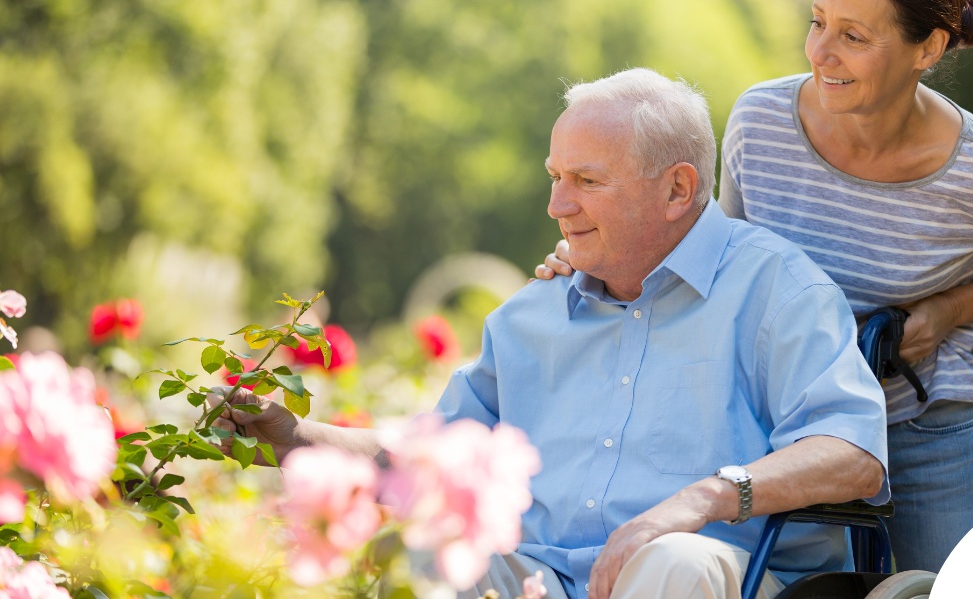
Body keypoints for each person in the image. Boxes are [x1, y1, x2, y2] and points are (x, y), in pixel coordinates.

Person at [218, 68, 890, 599]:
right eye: (555, 178)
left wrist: (699, 500)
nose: (556, 205)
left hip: (725, 578)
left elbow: (852, 452)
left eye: (586, 181)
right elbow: (435, 454)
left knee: (671, 562)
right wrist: (297, 436)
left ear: (678, 190)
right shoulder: (529, 316)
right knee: (421, 555)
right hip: (541, 579)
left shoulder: (776, 290)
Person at [536, 0, 973, 575]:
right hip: (791, 423)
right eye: (817, 22)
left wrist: (950, 311)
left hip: (929, 422)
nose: (821, 52)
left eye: (854, 37)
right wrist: (594, 257)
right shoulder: (760, 123)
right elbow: (719, 255)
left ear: (929, 47)